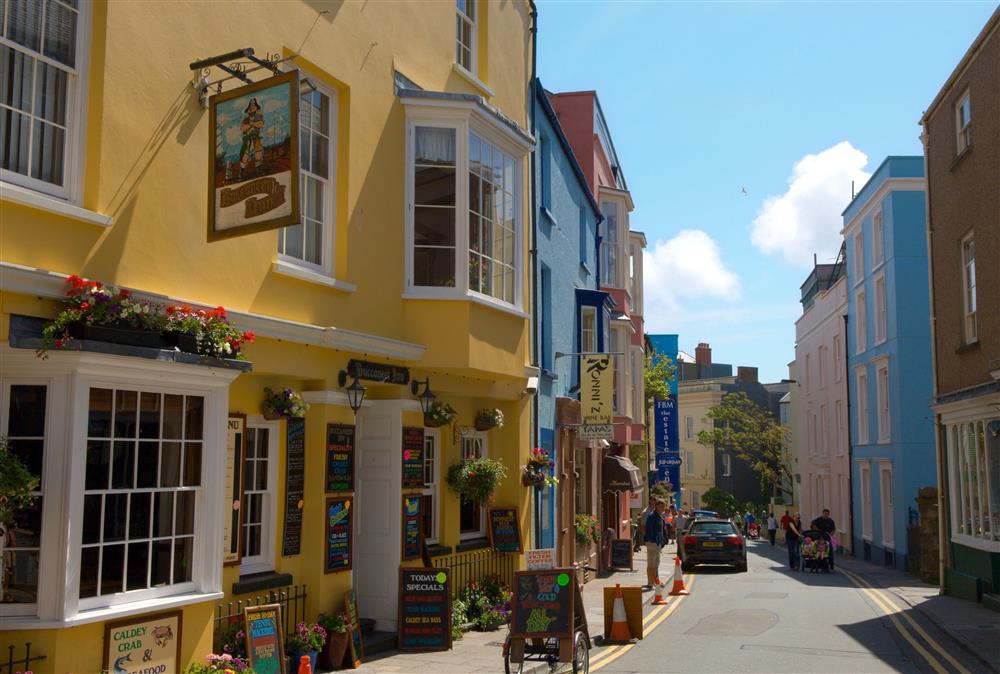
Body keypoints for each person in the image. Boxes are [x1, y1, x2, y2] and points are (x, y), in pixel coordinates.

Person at [644, 499, 667, 589]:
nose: (662, 508)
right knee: (651, 564)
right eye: (661, 506)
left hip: (657, 543)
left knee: (656, 563)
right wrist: (653, 540)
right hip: (652, 542)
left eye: (663, 506)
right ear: (656, 506)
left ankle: (655, 581)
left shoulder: (659, 516)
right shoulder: (652, 516)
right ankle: (650, 583)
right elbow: (649, 529)